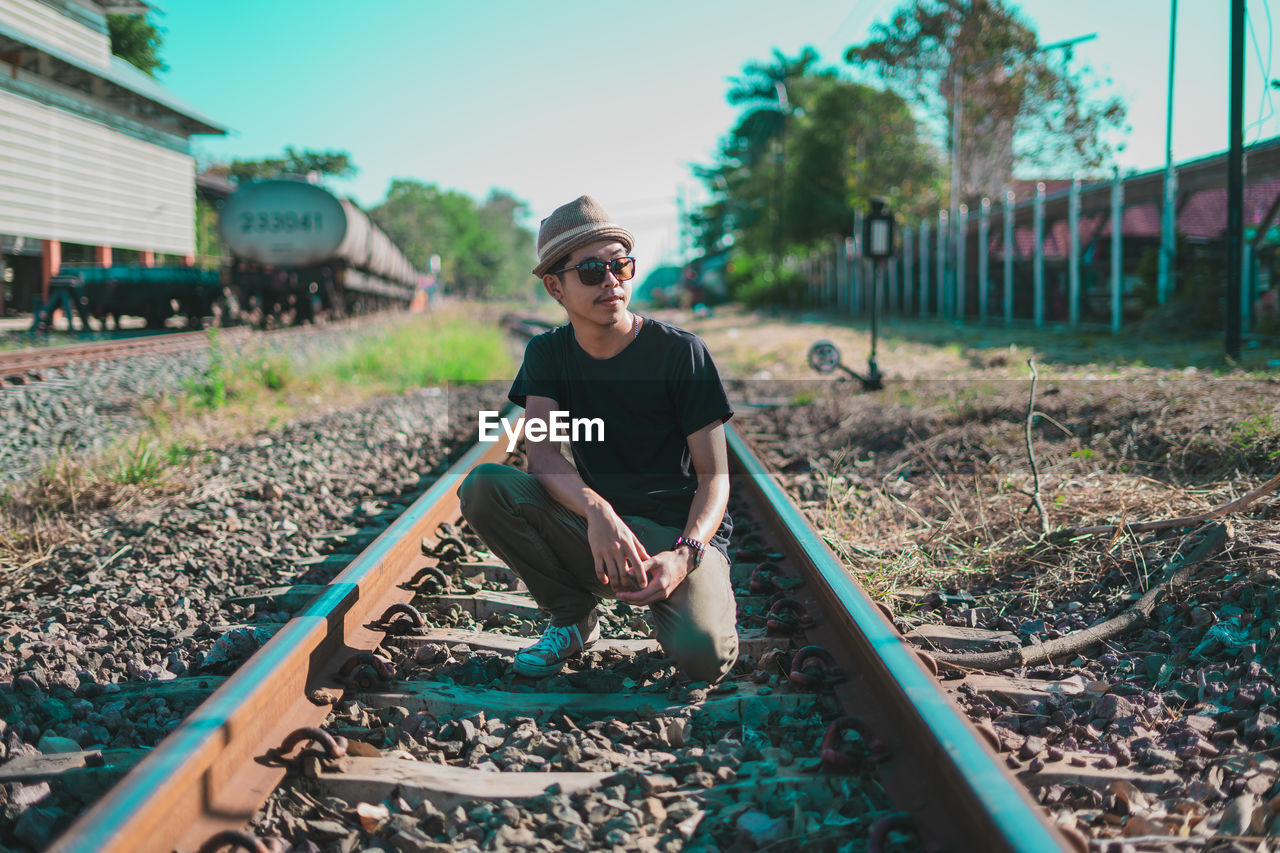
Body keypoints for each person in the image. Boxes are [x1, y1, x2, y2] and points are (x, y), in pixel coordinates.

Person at [458, 195, 738, 683]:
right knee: (484, 485)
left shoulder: (680, 354)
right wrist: (596, 510)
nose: (610, 280)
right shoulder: (548, 354)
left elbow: (714, 478)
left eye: (620, 265)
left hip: (673, 537)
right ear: (555, 287)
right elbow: (542, 455)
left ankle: (678, 598)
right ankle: (572, 615)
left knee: (704, 658)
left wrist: (684, 554)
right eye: (590, 270)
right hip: (597, 535)